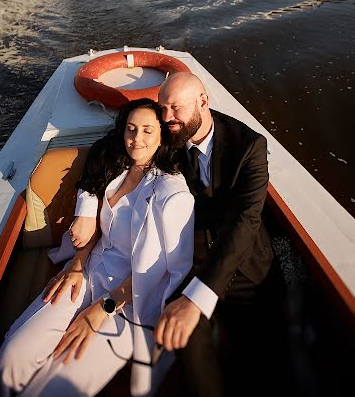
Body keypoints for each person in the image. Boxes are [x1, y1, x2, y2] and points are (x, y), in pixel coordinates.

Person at [71, 72, 292, 397]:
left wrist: (198, 297)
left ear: (203, 102)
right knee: (189, 344)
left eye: (175, 108)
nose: (167, 117)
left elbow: (245, 221)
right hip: (187, 264)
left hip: (245, 268)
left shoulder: (248, 146)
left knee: (271, 361)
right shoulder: (167, 135)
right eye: (163, 108)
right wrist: (86, 210)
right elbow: (109, 150)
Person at [0, 98, 194, 397]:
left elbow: (163, 272)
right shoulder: (117, 168)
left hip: (130, 303)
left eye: (148, 130)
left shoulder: (173, 193)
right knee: (12, 357)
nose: (137, 138)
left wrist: (104, 308)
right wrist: (77, 263)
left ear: (162, 135)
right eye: (131, 129)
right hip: (86, 275)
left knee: (55, 388)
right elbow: (98, 228)